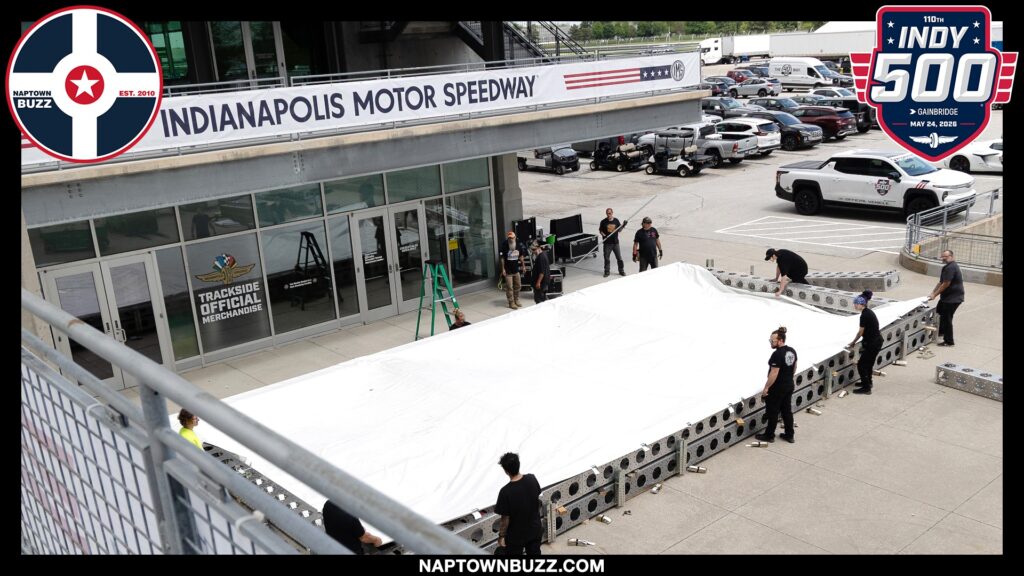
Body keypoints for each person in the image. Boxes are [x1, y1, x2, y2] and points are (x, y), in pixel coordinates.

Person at [494, 453, 543, 556]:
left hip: (516, 535)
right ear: (519, 464)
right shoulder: (532, 479)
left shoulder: (505, 492)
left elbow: (505, 519)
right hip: (535, 528)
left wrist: (501, 536)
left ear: (506, 471)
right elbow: (536, 500)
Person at [754, 327, 797, 444]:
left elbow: (774, 373)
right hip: (789, 385)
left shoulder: (777, 354)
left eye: (772, 341)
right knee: (787, 411)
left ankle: (769, 435)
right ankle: (789, 435)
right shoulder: (792, 351)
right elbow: (794, 367)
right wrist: (788, 378)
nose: (771, 343)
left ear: (780, 340)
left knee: (772, 411)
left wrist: (766, 388)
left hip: (777, 388)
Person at [847, 290, 882, 395]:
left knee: (861, 365)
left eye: (855, 304)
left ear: (860, 304)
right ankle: (867, 382)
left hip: (872, 343)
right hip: (877, 341)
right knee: (869, 364)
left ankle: (866, 388)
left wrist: (853, 342)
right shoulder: (868, 312)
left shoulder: (864, 315)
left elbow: (860, 332)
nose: (854, 306)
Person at [928, 250, 964, 347]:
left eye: (946, 256)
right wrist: (932, 292)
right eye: (942, 256)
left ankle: (949, 341)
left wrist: (935, 295)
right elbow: (940, 282)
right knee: (939, 311)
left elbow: (946, 283)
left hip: (953, 299)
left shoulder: (951, 267)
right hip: (947, 298)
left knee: (947, 318)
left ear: (951, 256)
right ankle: (941, 331)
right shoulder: (947, 267)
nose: (943, 258)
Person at [498, 231, 527, 309]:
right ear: (508, 238)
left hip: (516, 269)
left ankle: (516, 299)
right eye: (509, 238)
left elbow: (521, 257)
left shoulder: (518, 244)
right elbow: (502, 258)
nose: (511, 239)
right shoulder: (504, 245)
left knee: (518, 286)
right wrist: (503, 269)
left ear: (515, 237)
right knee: (509, 287)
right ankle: (511, 302)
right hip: (508, 270)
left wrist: (523, 266)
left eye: (512, 238)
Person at [598, 208, 627, 277]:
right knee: (606, 258)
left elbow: (619, 230)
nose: (609, 214)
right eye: (607, 213)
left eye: (610, 213)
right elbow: (600, 230)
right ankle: (607, 271)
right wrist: (604, 235)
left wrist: (623, 225)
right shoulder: (603, 221)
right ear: (606, 214)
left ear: (612, 213)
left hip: (615, 243)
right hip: (607, 243)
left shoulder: (616, 221)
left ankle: (621, 271)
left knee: (619, 258)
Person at [530, 240, 550, 304]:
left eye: (534, 250)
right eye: (532, 250)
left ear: (539, 248)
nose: (533, 251)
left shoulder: (541, 257)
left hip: (541, 284)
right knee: (542, 298)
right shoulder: (543, 254)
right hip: (543, 283)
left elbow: (542, 272)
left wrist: (538, 282)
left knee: (539, 300)